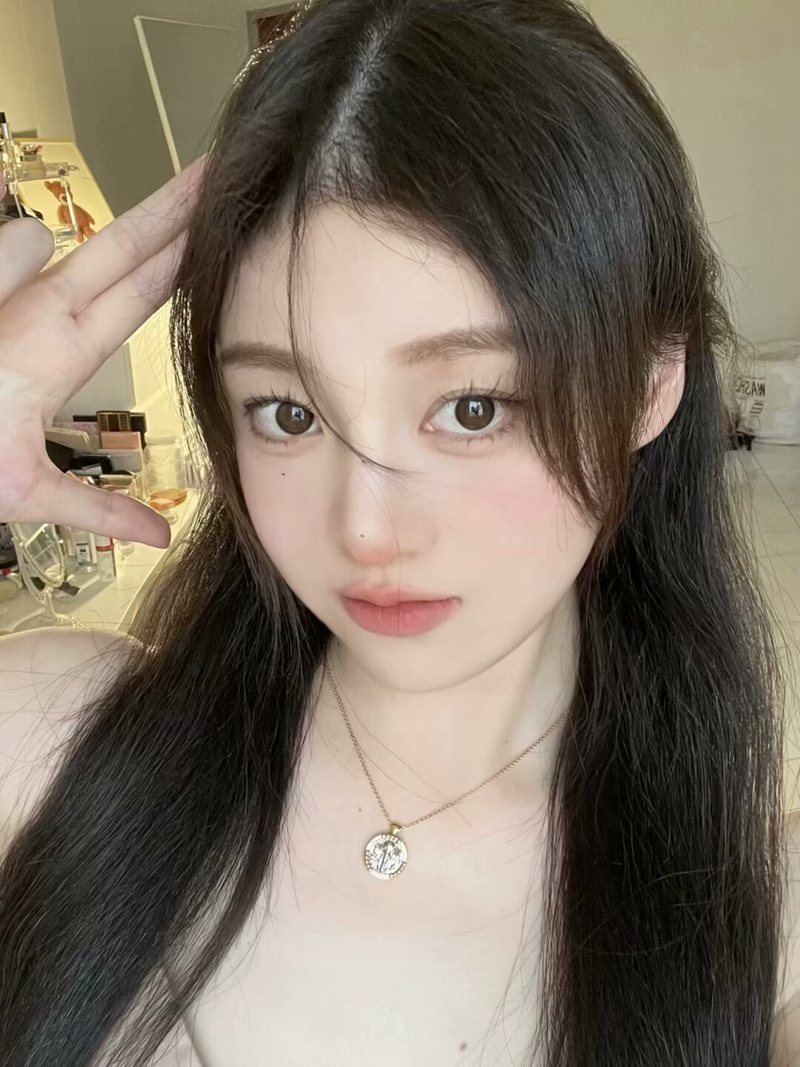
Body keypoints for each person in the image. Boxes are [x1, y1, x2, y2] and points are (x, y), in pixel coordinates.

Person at [0, 0, 797, 1064]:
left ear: (651, 385)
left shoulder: (759, 923)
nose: (365, 528)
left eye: (472, 406)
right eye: (287, 413)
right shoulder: (47, 745)